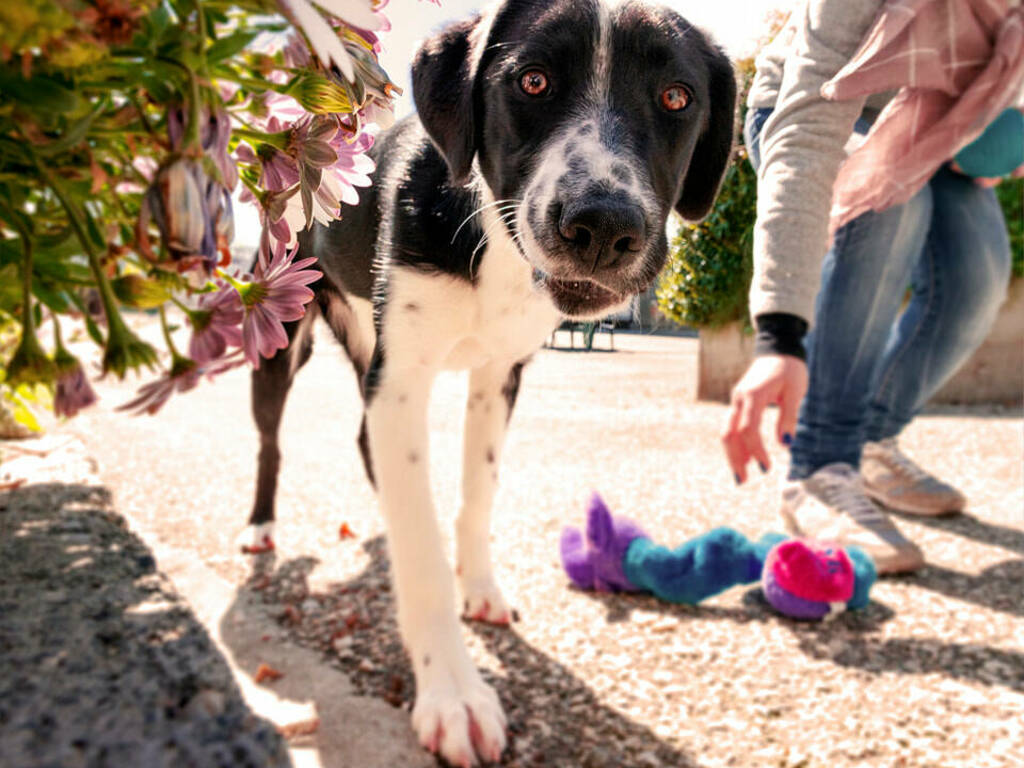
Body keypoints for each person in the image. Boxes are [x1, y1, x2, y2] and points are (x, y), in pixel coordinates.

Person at [722, 0, 1024, 574]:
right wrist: (778, 335)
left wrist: (994, 127)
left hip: (934, 129)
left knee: (977, 276)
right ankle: (818, 464)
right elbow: (805, 130)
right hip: (811, 109)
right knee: (889, 207)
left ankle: (871, 443)